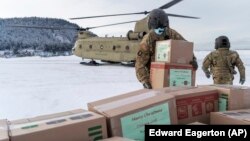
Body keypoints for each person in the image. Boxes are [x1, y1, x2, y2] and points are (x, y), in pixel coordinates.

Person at [135, 9, 198, 89]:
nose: (160, 30)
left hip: (172, 75)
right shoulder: (147, 40)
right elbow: (139, 64)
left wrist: (193, 59)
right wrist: (145, 81)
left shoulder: (172, 34)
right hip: (155, 76)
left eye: (163, 28)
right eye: (157, 28)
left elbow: (185, 46)